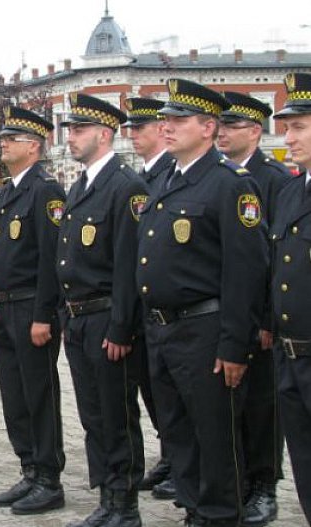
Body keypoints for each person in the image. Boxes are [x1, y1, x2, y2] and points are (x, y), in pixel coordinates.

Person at [137, 78, 268, 527]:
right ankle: (196, 511)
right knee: (178, 434)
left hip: (205, 332)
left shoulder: (229, 184)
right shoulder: (165, 181)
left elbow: (246, 273)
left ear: (208, 127)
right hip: (163, 330)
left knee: (215, 438)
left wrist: (234, 346)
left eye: (179, 121)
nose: (167, 128)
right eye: (166, 121)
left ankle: (220, 515)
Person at [57, 93, 147, 527]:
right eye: (70, 130)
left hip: (107, 318)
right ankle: (107, 496)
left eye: (79, 130)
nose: (70, 138)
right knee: (93, 415)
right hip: (78, 318)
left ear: (104, 134)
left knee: (117, 413)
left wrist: (122, 327)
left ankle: (125, 502)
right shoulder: (81, 186)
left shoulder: (125, 186)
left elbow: (130, 265)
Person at [0, 107, 67, 514]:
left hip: (31, 308)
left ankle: (49, 478)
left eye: (11, 138)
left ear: (33, 146)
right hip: (5, 309)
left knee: (39, 395)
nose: (3, 143)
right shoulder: (8, 191)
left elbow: (52, 260)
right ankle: (29, 468)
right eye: (3, 137)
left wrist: (43, 315)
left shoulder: (45, 191)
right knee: (14, 396)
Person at [217, 91, 291, 526]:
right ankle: (240, 479)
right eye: (221, 125)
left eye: (232, 127)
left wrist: (266, 319)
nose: (223, 133)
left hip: (261, 318)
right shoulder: (222, 176)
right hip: (228, 312)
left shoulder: (273, 179)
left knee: (262, 406)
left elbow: (274, 257)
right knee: (234, 404)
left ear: (255, 132)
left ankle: (264, 485)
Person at [122, 97, 177, 501]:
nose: (132, 135)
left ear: (161, 129)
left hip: (170, 309)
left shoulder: (169, 174)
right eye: (131, 128)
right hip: (143, 307)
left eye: (140, 128)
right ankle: (171, 454)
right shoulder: (144, 176)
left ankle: (178, 457)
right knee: (153, 388)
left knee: (170, 393)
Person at [269, 72, 311, 524]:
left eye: (298, 127)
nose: (288, 138)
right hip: (291, 355)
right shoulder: (290, 192)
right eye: (287, 127)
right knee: (303, 462)